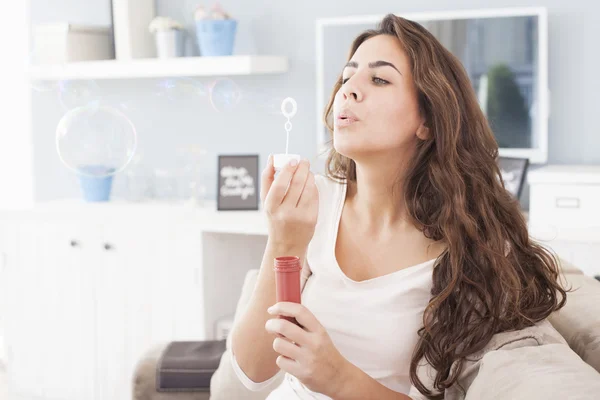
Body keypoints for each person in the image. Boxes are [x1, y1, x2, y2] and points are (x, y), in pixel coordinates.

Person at [229, 14, 574, 399]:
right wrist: (284, 242)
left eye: (379, 79)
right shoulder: (314, 204)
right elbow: (252, 374)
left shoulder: (466, 250)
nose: (348, 91)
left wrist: (339, 379)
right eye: (347, 77)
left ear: (427, 119)